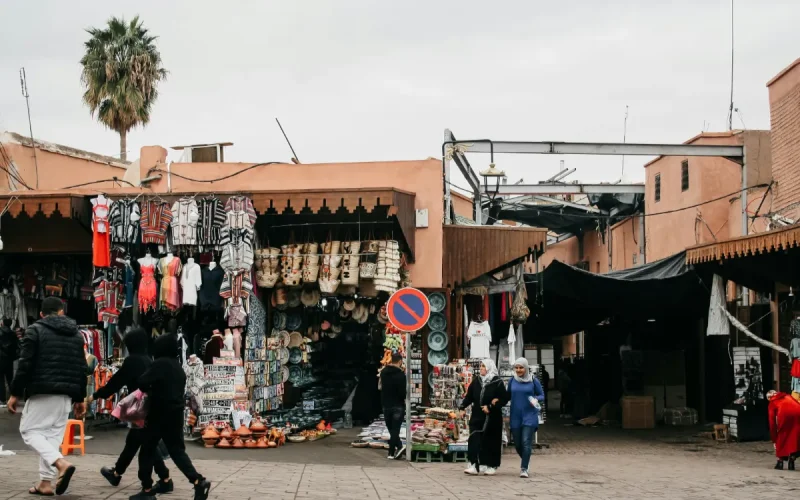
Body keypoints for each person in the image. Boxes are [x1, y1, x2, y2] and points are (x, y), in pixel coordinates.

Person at [7, 297, 87, 496]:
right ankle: (45, 483)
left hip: (42, 391)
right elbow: (81, 368)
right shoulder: (76, 334)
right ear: (62, 312)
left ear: (42, 314)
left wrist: (15, 393)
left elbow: (25, 364)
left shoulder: (35, 330)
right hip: (65, 397)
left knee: (29, 431)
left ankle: (61, 464)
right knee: (51, 437)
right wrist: (80, 398)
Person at [87, 327, 173, 492]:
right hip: (150, 407)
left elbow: (116, 383)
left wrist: (96, 395)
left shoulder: (133, 361)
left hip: (141, 409)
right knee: (134, 442)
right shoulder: (149, 359)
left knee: (146, 444)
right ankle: (117, 473)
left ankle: (164, 479)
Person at [134, 333, 210, 500]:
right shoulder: (178, 367)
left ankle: (146, 490)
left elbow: (142, 382)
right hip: (176, 414)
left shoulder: (159, 364)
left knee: (147, 449)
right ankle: (198, 481)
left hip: (158, 414)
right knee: (177, 451)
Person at [460, 359, 508, 476]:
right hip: (477, 415)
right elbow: (470, 396)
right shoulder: (477, 381)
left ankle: (491, 465)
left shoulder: (497, 382)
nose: (481, 368)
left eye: (483, 366)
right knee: (474, 438)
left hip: (492, 418)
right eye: (481, 366)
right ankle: (473, 464)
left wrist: (491, 406)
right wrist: (462, 407)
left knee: (490, 441)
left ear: (489, 368)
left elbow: (504, 399)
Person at [508, 358, 545, 478]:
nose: (518, 370)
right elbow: (507, 395)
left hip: (530, 415)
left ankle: (524, 468)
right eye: (516, 368)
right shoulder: (512, 380)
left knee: (526, 442)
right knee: (518, 444)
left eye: (521, 367)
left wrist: (536, 399)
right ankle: (526, 460)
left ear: (526, 368)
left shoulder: (533, 380)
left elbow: (542, 395)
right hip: (515, 415)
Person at [380, 352, 407, 459]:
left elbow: (381, 387)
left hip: (386, 403)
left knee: (390, 428)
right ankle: (391, 452)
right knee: (395, 428)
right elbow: (402, 392)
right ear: (400, 361)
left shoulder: (383, 372)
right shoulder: (401, 375)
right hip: (398, 405)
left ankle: (399, 446)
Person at [767, 390, 800, 470]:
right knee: (795, 436)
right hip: (798, 413)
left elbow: (772, 423)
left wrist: (774, 439)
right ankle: (792, 460)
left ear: (769, 397)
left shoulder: (773, 402)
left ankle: (780, 462)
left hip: (785, 416)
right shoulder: (788, 396)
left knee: (782, 436)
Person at [0, 317, 19, 407]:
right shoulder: (13, 334)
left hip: (0, 359)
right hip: (9, 360)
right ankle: (13, 398)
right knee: (10, 379)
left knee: (0, 380)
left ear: (2, 323)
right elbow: (17, 347)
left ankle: (2, 400)